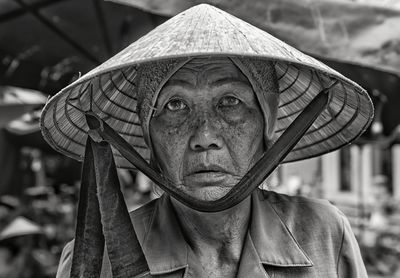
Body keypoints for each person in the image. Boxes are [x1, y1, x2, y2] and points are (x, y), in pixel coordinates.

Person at [41, 4, 373, 278]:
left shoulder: (325, 235)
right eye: (175, 105)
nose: (204, 138)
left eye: (230, 102)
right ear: (147, 134)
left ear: (267, 123)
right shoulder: (96, 262)